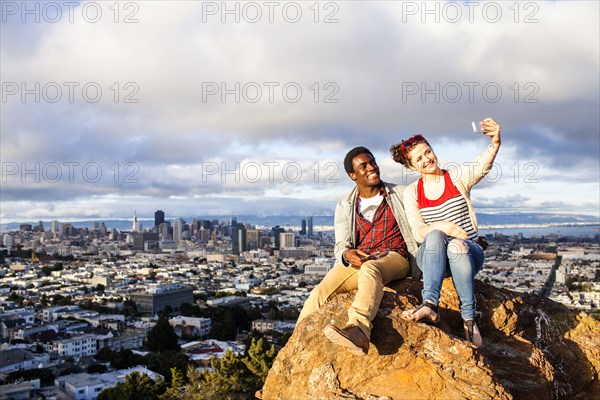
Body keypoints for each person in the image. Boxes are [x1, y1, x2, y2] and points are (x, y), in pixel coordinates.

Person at [389, 118, 501, 348]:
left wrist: (495, 142)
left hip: (467, 253)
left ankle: (469, 319)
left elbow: (481, 166)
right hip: (432, 256)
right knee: (435, 236)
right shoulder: (413, 192)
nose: (427, 159)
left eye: (428, 152)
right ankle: (429, 304)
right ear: (411, 167)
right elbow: (418, 231)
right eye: (419, 158)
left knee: (456, 245)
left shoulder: (456, 177)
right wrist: (441, 226)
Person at [297, 146, 419, 356]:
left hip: (395, 257)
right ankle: (295, 347)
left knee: (371, 268)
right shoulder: (345, 205)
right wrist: (346, 254)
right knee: (319, 293)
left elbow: (426, 218)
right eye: (363, 166)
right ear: (352, 175)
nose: (371, 168)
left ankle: (360, 329)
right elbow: (341, 244)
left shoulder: (400, 193)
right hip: (359, 260)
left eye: (372, 162)